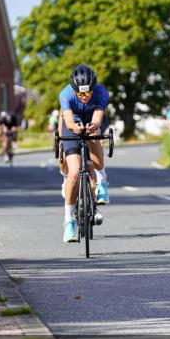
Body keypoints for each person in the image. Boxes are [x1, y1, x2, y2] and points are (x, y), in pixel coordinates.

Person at [58, 64, 110, 242]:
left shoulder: (101, 93)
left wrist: (93, 126)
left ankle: (102, 180)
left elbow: (97, 117)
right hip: (73, 121)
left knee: (94, 134)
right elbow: (69, 120)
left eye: (88, 93)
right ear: (74, 90)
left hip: (92, 120)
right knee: (74, 172)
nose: (84, 97)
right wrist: (74, 127)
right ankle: (69, 221)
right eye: (80, 94)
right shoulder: (66, 94)